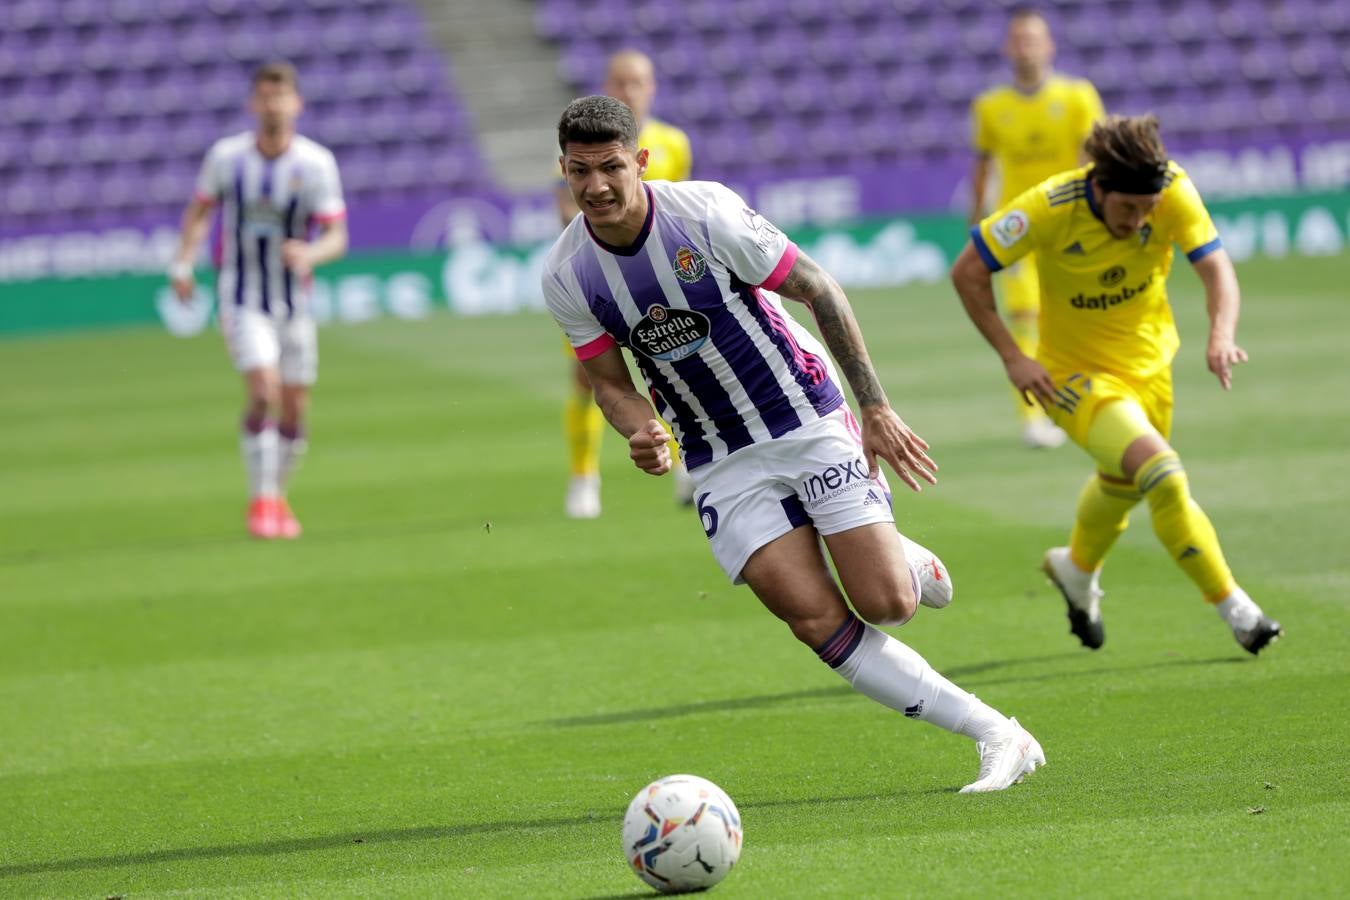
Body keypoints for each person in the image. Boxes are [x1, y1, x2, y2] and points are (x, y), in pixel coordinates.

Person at [544, 95, 1045, 792]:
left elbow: (820, 289)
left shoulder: (704, 213)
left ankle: (897, 557)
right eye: (578, 171)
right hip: (718, 455)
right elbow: (606, 380)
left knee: (888, 604)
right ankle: (998, 733)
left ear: (641, 162)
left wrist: (874, 407)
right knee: (813, 619)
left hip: (803, 414)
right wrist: (638, 427)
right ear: (561, 170)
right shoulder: (566, 272)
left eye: (610, 167)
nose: (595, 186)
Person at [951, 113, 1282, 655]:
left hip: (1151, 370)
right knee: (1164, 475)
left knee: (1122, 484)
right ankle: (1238, 610)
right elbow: (968, 269)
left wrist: (1221, 335)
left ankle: (1076, 570)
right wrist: (1013, 356)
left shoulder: (1172, 190)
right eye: (1127, 208)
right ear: (1097, 185)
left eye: (1146, 209)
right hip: (1073, 378)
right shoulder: (1047, 207)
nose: (1138, 220)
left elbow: (1216, 268)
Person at [169, 61, 348, 539]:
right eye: (265, 97)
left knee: (293, 408)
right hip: (243, 297)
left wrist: (311, 252)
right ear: (254, 103)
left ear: (296, 103)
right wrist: (183, 263)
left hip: (294, 303)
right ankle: (262, 500)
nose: (273, 105)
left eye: (281, 96)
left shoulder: (315, 163)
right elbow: (200, 211)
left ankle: (276, 495)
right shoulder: (227, 158)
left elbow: (337, 236)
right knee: (263, 391)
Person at [556, 50, 694, 519]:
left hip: (660, 286)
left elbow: (681, 213)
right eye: (620, 81)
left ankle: (685, 465)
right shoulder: (586, 144)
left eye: (638, 82)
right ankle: (583, 477)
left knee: (679, 368)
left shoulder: (673, 143)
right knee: (588, 379)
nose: (629, 90)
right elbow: (566, 212)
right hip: (599, 281)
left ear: (652, 87)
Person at [969, 8, 1104, 449]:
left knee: (1078, 316)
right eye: (1018, 39)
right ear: (1009, 48)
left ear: (1049, 46)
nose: (1026, 47)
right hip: (1018, 225)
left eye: (1033, 39)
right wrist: (977, 218)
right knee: (1025, 317)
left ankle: (1081, 402)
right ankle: (1032, 419)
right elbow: (984, 166)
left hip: (1069, 223)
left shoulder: (1078, 96)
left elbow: (1093, 155)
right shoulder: (991, 107)